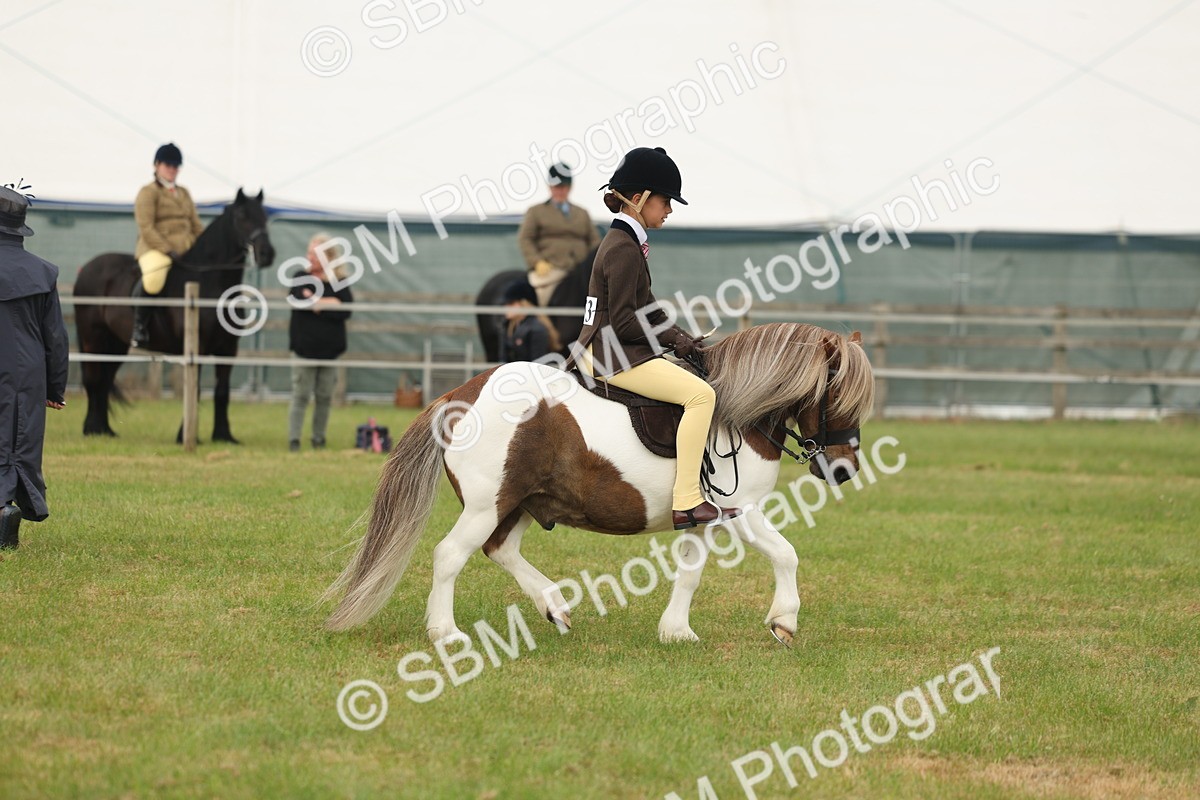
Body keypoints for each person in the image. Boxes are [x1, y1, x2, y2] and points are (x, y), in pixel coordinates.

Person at [574, 147, 741, 530]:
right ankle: (687, 501)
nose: (670, 210)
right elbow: (623, 321)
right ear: (639, 200)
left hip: (610, 348)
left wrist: (683, 337)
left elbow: (646, 307)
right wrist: (672, 341)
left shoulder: (627, 243)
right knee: (702, 396)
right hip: (609, 353)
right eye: (666, 201)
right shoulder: (622, 248)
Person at [0, 187, 69, 549]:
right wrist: (56, 388)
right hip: (29, 371)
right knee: (20, 439)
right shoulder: (43, 272)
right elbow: (55, 337)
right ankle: (8, 507)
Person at [131, 142, 204, 348]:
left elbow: (196, 225)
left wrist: (205, 245)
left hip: (186, 248)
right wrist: (168, 250)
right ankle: (139, 327)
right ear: (157, 165)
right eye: (168, 164)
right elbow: (146, 227)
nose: (172, 169)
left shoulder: (184, 193)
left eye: (175, 165)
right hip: (155, 248)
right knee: (154, 277)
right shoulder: (148, 192)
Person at [288, 233, 353, 452]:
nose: (310, 258)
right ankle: (294, 440)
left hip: (330, 352)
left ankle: (319, 438)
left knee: (324, 397)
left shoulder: (339, 282)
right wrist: (328, 304)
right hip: (303, 350)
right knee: (300, 396)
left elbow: (344, 309)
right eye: (309, 253)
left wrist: (316, 301)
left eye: (315, 255)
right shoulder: (300, 276)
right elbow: (297, 299)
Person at [517, 163, 601, 307]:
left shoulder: (582, 213)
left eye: (564, 187)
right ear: (550, 187)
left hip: (579, 271)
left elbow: (595, 241)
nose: (560, 191)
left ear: (569, 187)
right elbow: (525, 239)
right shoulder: (536, 211)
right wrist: (536, 261)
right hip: (551, 269)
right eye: (557, 187)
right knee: (540, 299)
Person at [498, 279, 560, 362]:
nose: (506, 308)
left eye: (511, 303)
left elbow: (537, 364)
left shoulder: (537, 329)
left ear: (524, 304)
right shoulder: (507, 327)